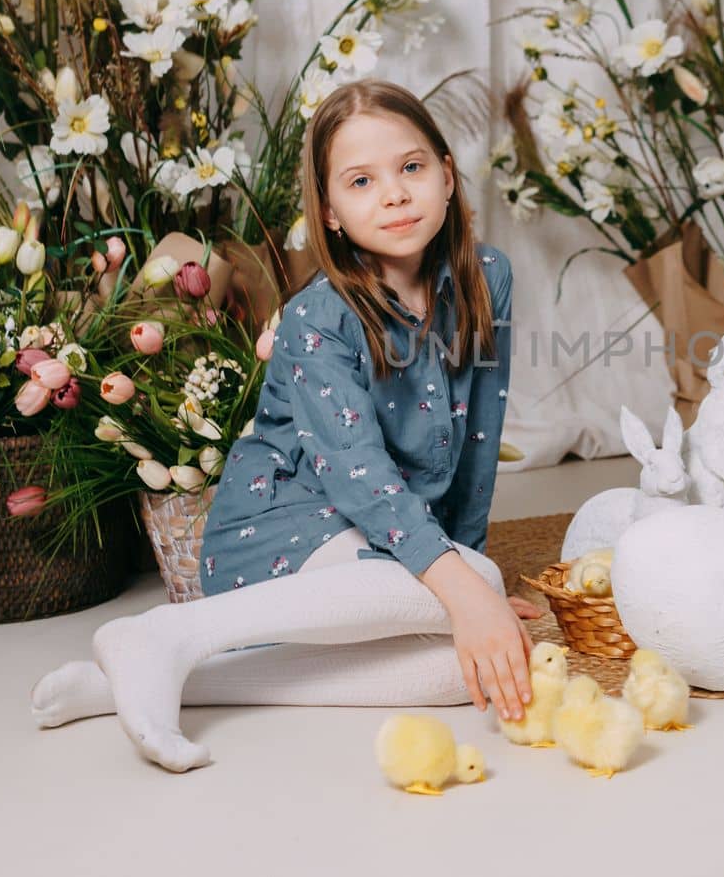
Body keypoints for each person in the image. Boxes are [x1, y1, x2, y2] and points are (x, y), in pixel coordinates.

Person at [31, 79, 536, 772]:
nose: (393, 194)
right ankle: (178, 630)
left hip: (382, 539)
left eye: (412, 168)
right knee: (467, 583)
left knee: (463, 675)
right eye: (362, 181)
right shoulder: (317, 319)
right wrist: (465, 583)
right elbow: (363, 480)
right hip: (280, 528)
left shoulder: (487, 277)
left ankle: (137, 670)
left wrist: (477, 589)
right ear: (329, 212)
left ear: (448, 177)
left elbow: (479, 437)